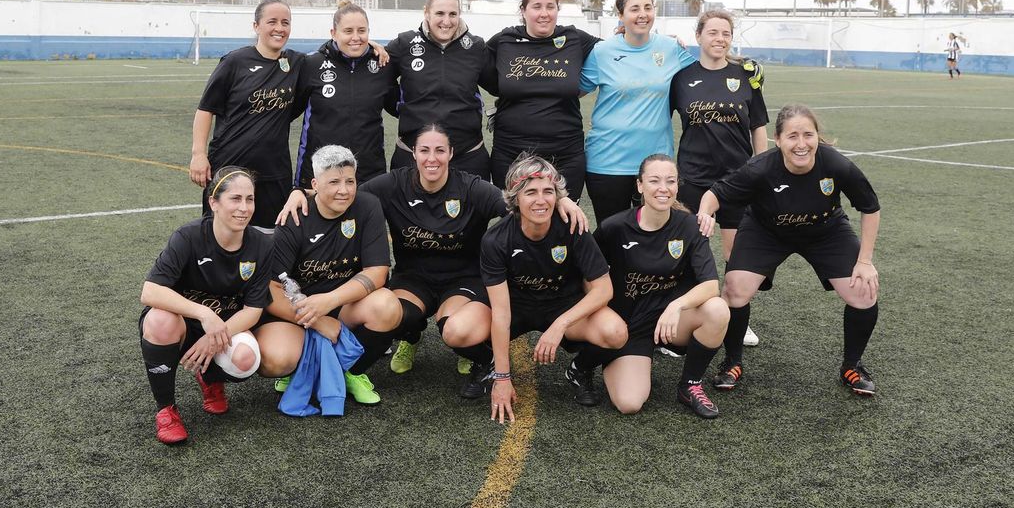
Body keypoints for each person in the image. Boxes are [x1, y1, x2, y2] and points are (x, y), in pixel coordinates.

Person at [277, 124, 590, 393]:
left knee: (454, 329)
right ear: (413, 153)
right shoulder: (393, 184)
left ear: (451, 154)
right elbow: (344, 190)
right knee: (396, 314)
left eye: (440, 150)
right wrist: (300, 193)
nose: (432, 158)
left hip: (463, 280)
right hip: (413, 279)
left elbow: (517, 203)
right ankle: (408, 339)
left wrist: (561, 201)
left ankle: (479, 356)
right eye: (424, 150)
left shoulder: (471, 187)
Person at [697, 105, 882, 396]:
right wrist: (706, 213)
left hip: (825, 230)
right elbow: (715, 194)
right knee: (734, 289)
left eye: (808, 135)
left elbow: (870, 207)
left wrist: (865, 261)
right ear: (778, 139)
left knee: (864, 291)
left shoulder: (835, 165)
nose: (801, 144)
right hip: (766, 230)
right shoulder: (760, 168)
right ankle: (732, 362)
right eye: (792, 136)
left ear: (817, 137)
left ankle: (852, 366)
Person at [138, 166, 299, 444]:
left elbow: (253, 309)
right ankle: (166, 410)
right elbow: (150, 291)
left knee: (246, 359)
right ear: (213, 202)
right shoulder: (188, 236)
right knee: (159, 321)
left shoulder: (261, 244)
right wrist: (204, 314)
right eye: (235, 199)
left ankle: (210, 379)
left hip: (227, 327)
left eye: (250, 199)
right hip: (185, 323)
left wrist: (214, 336)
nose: (244, 208)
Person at [481, 154, 628, 423]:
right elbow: (501, 313)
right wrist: (503, 378)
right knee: (465, 331)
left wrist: (560, 324)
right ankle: (487, 364)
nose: (541, 200)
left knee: (616, 332)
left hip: (563, 306)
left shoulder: (573, 226)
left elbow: (604, 289)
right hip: (517, 310)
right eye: (531, 193)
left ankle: (579, 369)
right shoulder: (496, 239)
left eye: (548, 191)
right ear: (515, 198)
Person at [590, 155, 729, 418]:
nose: (663, 188)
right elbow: (590, 275)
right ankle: (607, 360)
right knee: (629, 403)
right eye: (654, 180)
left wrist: (676, 306)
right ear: (640, 185)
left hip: (671, 323)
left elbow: (711, 285)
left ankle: (690, 385)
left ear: (678, 186)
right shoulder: (614, 227)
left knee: (717, 310)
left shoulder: (690, 225)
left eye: (670, 181)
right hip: (630, 326)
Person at [265, 144, 400, 405]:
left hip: (344, 306)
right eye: (334, 181)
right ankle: (300, 369)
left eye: (350, 181)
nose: (344, 190)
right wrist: (316, 319)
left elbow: (378, 271)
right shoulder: (293, 218)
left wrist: (329, 301)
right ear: (314, 184)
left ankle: (350, 371)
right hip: (300, 314)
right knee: (275, 359)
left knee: (387, 305)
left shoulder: (368, 206)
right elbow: (270, 288)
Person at [671, 7, 768, 353]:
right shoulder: (681, 77)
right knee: (684, 252)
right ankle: (680, 320)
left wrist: (760, 170)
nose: (719, 39)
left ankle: (735, 320)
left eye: (726, 33)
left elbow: (758, 126)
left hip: (738, 180)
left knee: (735, 253)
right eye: (712, 32)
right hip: (692, 179)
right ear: (699, 36)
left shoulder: (746, 76)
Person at [579, 0, 696, 221]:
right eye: (634, 9)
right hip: (607, 162)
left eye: (648, 7)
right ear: (621, 15)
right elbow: (572, 92)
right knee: (610, 234)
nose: (642, 14)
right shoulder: (602, 52)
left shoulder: (671, 48)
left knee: (653, 239)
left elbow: (704, 75)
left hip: (655, 165)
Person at [482, 0, 600, 200]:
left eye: (550, 7)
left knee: (564, 222)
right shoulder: (503, 41)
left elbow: (618, 52)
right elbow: (470, 61)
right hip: (511, 153)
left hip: (565, 154)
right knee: (515, 222)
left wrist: (662, 43)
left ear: (557, 10)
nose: (544, 13)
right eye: (537, 6)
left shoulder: (575, 39)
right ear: (523, 10)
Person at [191, 0, 303, 228]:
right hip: (229, 164)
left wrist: (371, 45)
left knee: (270, 237)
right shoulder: (235, 62)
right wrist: (198, 155)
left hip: (275, 172)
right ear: (256, 26)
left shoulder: (297, 63)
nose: (279, 28)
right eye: (272, 22)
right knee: (221, 236)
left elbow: (333, 54)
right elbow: (205, 109)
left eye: (285, 22)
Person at [289, 0, 398, 189]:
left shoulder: (381, 66)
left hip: (368, 174)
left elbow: (400, 107)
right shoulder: (311, 64)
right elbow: (289, 111)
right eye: (348, 31)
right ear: (333, 33)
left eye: (362, 31)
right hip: (320, 173)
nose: (355, 37)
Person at [386, 0, 490, 179]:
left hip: (468, 155)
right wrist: (402, 108)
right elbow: (380, 80)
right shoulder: (404, 44)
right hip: (413, 154)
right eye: (439, 13)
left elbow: (499, 84)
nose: (446, 21)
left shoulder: (476, 47)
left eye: (453, 14)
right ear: (426, 13)